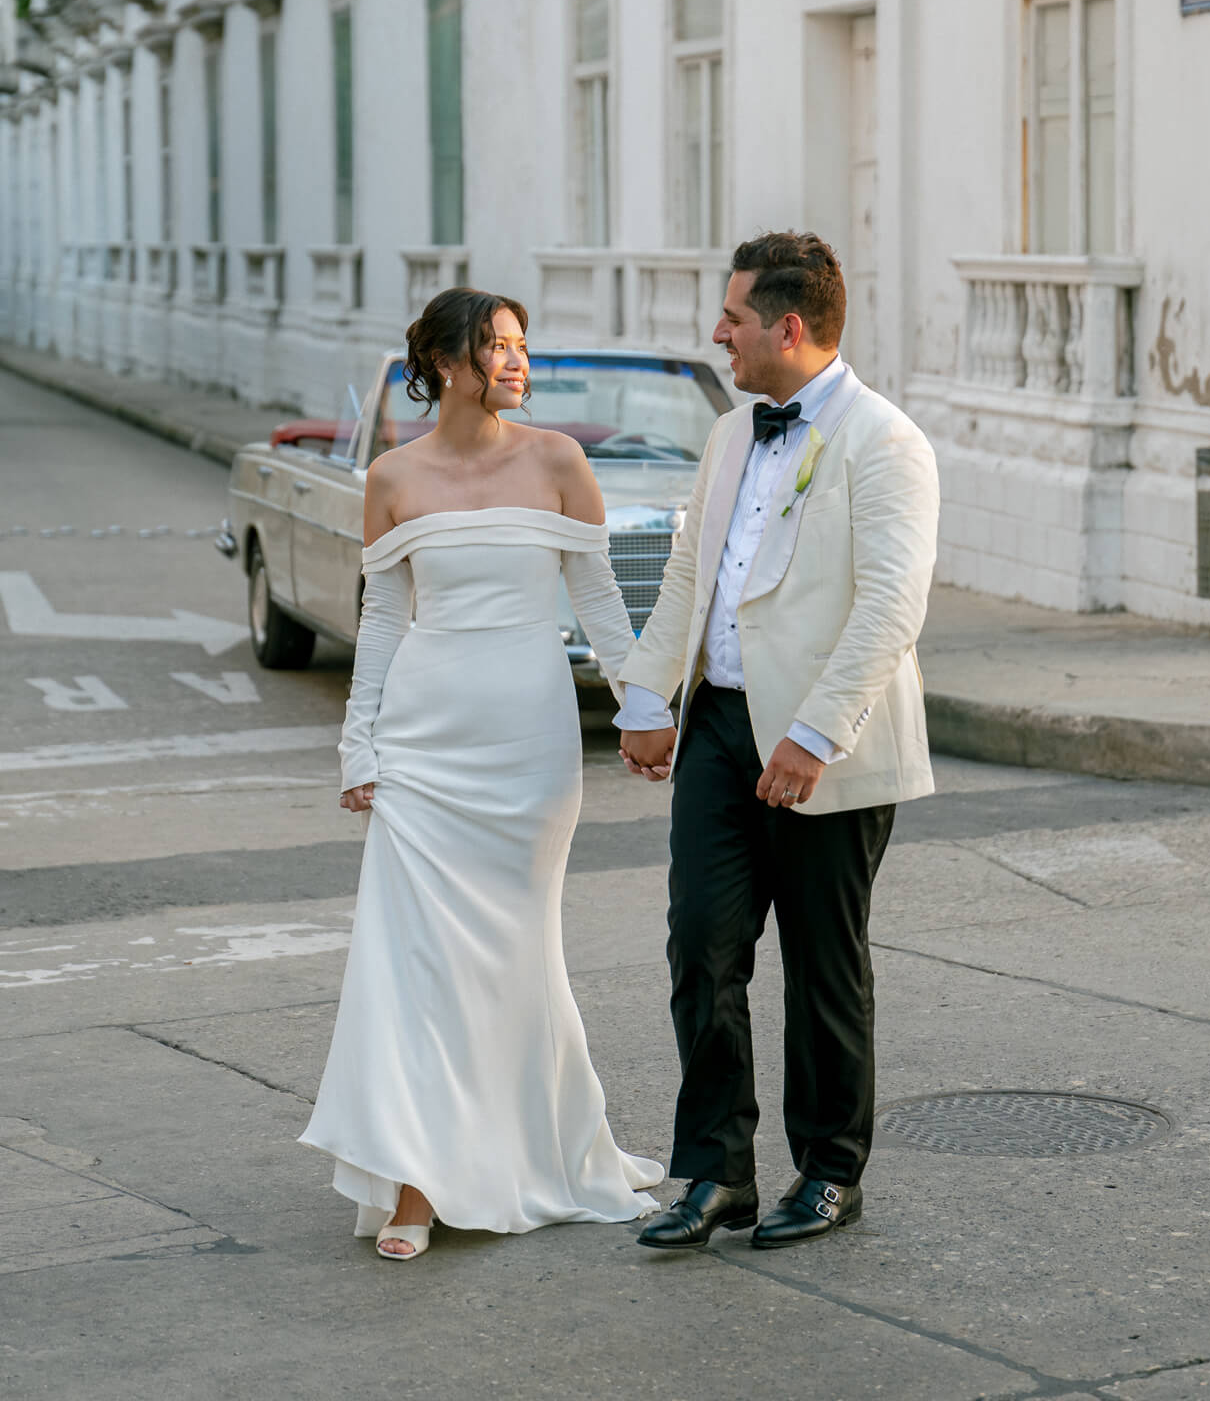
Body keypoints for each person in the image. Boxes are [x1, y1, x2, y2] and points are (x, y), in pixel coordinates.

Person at [298, 288, 662, 1257]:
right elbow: (381, 618)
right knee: (413, 964)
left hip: (529, 744)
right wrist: (358, 742)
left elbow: (599, 598)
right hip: (424, 744)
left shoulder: (557, 461)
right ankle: (415, 1181)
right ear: (447, 364)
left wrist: (645, 704)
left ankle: (526, 1146)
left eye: (521, 344)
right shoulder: (391, 476)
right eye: (497, 346)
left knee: (512, 954)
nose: (517, 360)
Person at [617, 231, 939, 1252]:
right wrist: (646, 690)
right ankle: (717, 1171)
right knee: (700, 947)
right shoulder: (728, 435)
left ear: (787, 326)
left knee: (822, 960)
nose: (720, 332)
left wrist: (812, 733)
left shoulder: (886, 440)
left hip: (823, 739)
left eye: (734, 318)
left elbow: (892, 604)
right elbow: (687, 575)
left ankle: (831, 1170)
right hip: (719, 723)